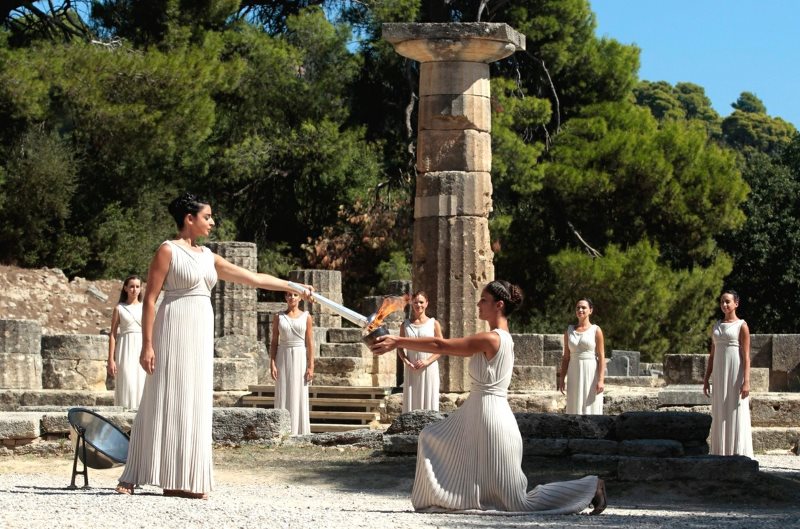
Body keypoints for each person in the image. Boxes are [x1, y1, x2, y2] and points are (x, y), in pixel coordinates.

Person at [115, 193, 313, 499]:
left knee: (193, 400)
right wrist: (147, 345)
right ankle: (134, 474)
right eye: (207, 217)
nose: (212, 222)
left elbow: (253, 278)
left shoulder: (209, 256)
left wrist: (293, 286)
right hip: (172, 328)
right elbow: (150, 299)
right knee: (162, 395)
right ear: (189, 219)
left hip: (199, 332)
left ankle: (182, 479)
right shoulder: (168, 250)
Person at [369, 280, 606, 515]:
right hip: (477, 414)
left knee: (517, 503)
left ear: (499, 305)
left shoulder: (493, 339)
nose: (479, 304)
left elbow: (440, 344)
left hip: (494, 421)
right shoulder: (499, 337)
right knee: (430, 437)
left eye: (484, 300)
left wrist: (397, 341)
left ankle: (591, 486)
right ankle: (448, 498)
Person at [702, 289, 753, 457]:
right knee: (720, 409)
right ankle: (720, 452)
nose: (724, 304)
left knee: (734, 408)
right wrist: (706, 378)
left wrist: (746, 381)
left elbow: (746, 356)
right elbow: (712, 355)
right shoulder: (716, 326)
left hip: (735, 373)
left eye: (727, 301)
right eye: (722, 302)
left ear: (736, 303)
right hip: (719, 373)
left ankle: (737, 452)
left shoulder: (742, 326)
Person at [270, 290, 314, 435]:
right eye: (289, 295)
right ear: (285, 297)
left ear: (300, 298)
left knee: (299, 391)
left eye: (295, 295)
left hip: (300, 356)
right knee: (283, 391)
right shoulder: (278, 317)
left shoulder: (306, 317)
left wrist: (311, 366)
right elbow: (274, 341)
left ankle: (299, 431)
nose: (292, 297)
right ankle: (282, 431)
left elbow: (310, 343)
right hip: (283, 355)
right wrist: (272, 362)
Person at [557, 298, 605, 415]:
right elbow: (566, 357)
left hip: (591, 371)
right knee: (574, 402)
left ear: (590, 310)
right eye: (578, 307)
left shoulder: (596, 330)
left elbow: (601, 356)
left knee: (590, 403)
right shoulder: (569, 331)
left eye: (583, 307)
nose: (580, 310)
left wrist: (601, 380)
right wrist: (562, 378)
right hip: (574, 371)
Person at [398, 291, 443, 412]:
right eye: (415, 302)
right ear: (412, 303)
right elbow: (399, 347)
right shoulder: (405, 325)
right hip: (411, 368)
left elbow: (441, 348)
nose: (418, 305)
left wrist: (427, 361)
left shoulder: (434, 323)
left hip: (429, 368)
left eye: (421, 302)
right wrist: (406, 362)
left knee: (429, 402)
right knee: (412, 402)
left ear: (426, 303)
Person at [107, 275, 146, 409]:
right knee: (127, 381)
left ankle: (140, 416)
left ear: (141, 288)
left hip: (141, 346)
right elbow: (112, 334)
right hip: (125, 348)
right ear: (125, 288)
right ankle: (124, 414)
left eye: (137, 286)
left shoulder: (145, 308)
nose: (134, 289)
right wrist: (111, 359)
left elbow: (152, 332)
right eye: (131, 286)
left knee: (141, 382)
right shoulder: (119, 308)